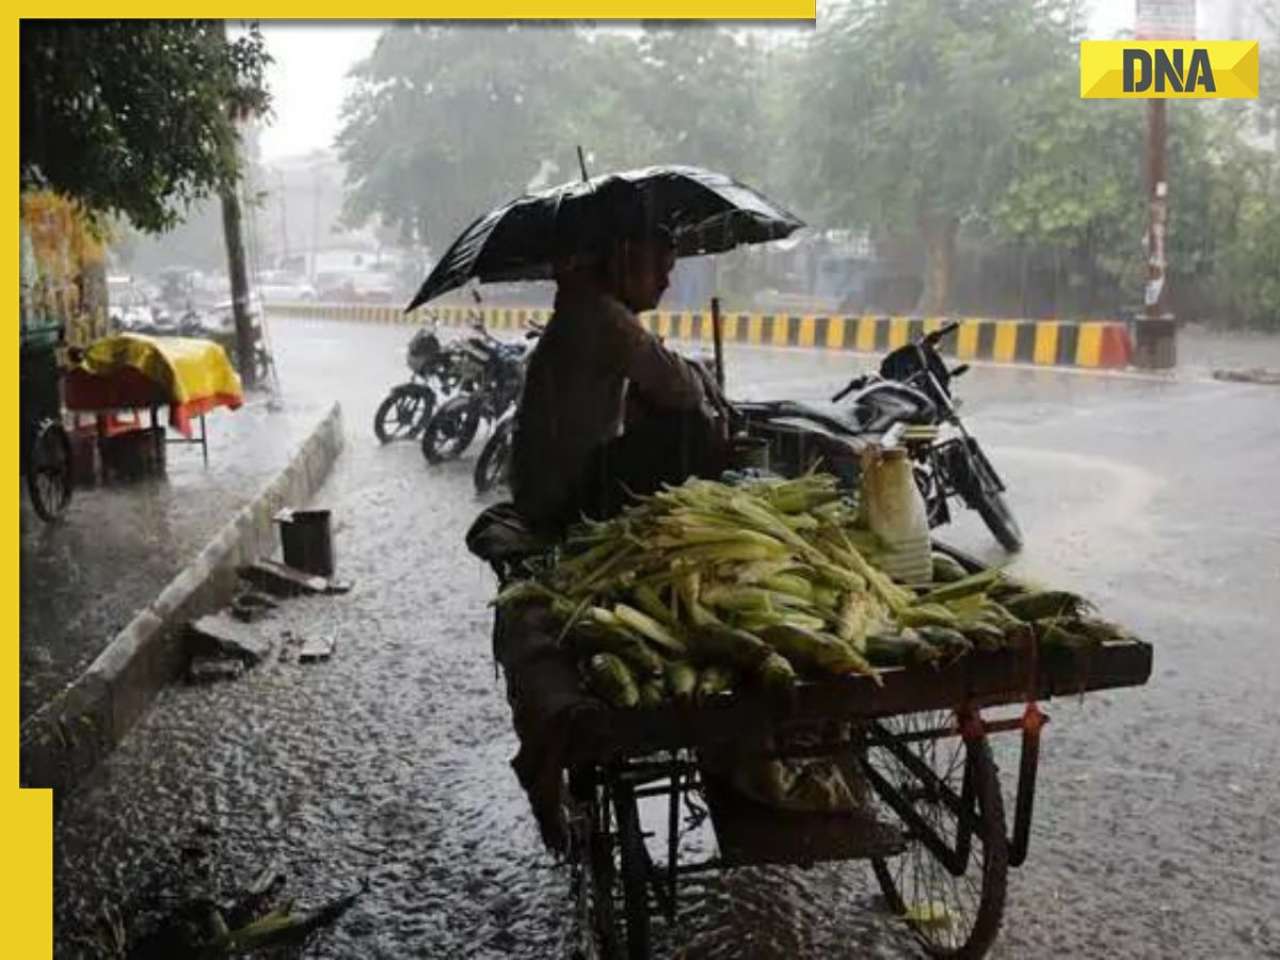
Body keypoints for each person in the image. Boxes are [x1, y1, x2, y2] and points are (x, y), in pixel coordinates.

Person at [510, 191, 727, 534]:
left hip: (545, 489)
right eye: (659, 267)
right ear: (625, 257)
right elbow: (683, 389)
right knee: (692, 425)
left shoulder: (585, 306)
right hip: (559, 501)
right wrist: (699, 375)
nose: (665, 282)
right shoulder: (601, 315)